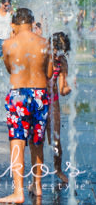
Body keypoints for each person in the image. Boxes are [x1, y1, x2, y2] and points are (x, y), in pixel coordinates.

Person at [0, 8, 52, 204]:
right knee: (37, 143)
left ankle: (18, 192)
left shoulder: (8, 44)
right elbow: (48, 72)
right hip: (40, 94)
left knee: (17, 142)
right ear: (32, 23)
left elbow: (10, 68)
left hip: (19, 95)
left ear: (14, 25)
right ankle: (37, 186)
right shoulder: (45, 43)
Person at [47, 32, 72, 184]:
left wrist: (69, 88)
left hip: (53, 101)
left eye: (61, 52)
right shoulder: (43, 57)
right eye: (55, 51)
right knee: (37, 140)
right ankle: (35, 177)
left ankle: (58, 169)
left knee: (56, 140)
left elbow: (62, 90)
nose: (57, 55)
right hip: (38, 99)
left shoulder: (62, 62)